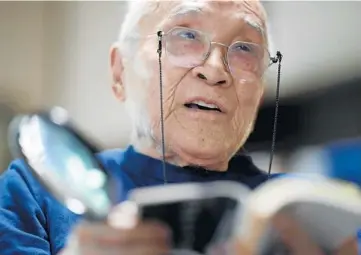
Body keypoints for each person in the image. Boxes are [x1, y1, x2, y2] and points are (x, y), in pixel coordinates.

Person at [0, 0, 358, 254]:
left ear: (261, 88)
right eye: (185, 36)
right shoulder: (37, 190)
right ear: (119, 71)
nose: (216, 69)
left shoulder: (312, 215)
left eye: (245, 48)